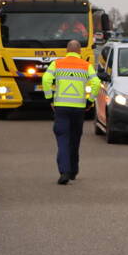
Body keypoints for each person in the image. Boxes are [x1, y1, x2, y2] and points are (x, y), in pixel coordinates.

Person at [41, 40, 100, 185]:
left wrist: (49, 98)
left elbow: (46, 79)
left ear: (67, 51)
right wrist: (90, 100)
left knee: (63, 139)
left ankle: (64, 171)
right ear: (79, 51)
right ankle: (73, 170)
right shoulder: (86, 66)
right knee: (75, 139)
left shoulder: (57, 63)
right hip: (79, 109)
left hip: (61, 108)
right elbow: (96, 83)